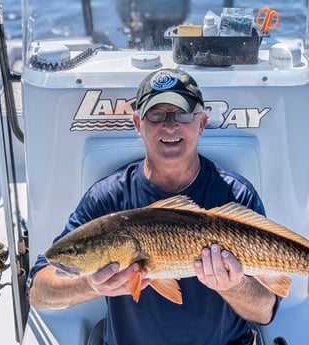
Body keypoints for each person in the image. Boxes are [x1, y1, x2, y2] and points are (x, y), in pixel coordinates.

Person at [28, 68, 279, 345]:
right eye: (156, 115)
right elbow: (39, 292)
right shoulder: (108, 198)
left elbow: (265, 310)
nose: (169, 126)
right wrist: (89, 285)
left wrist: (235, 285)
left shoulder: (236, 195)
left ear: (202, 123)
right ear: (138, 124)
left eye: (182, 114)